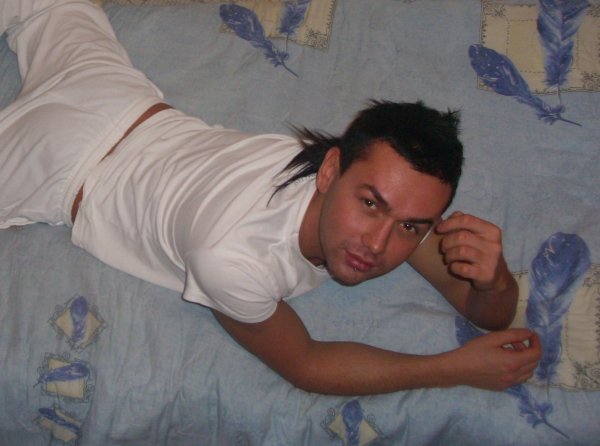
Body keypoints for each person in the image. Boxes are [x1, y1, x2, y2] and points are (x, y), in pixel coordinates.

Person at [0, 0, 541, 395]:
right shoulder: (234, 261)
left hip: (119, 99)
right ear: (330, 170)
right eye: (371, 204)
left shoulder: (380, 203)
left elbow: (489, 314)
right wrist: (453, 369)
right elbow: (307, 363)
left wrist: (494, 281)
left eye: (411, 226)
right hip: (62, 165)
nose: (377, 245)